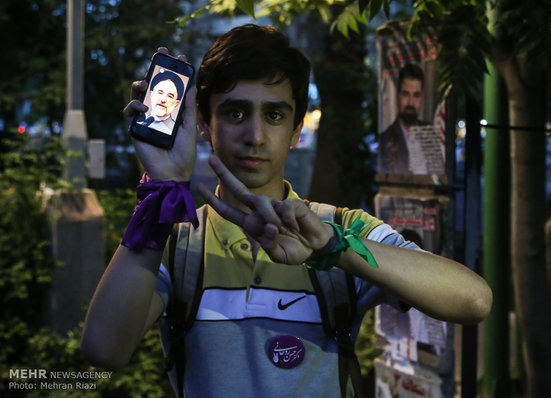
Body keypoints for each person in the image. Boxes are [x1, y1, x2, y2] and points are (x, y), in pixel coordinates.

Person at [81, 24, 492, 397]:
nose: (255, 135)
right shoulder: (175, 240)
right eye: (235, 112)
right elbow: (103, 350)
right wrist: (161, 188)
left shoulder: (343, 228)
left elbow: (473, 300)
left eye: (274, 115)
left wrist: (332, 247)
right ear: (204, 124)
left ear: (296, 130)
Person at [378, 63, 444, 175]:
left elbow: (439, 175)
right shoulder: (385, 140)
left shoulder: (431, 135)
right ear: (397, 95)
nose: (410, 102)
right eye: (406, 94)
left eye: (416, 95)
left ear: (422, 97)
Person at [136, 70, 185, 135]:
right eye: (160, 93)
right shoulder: (138, 121)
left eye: (170, 96)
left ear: (176, 103)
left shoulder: (175, 132)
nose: (163, 100)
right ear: (151, 94)